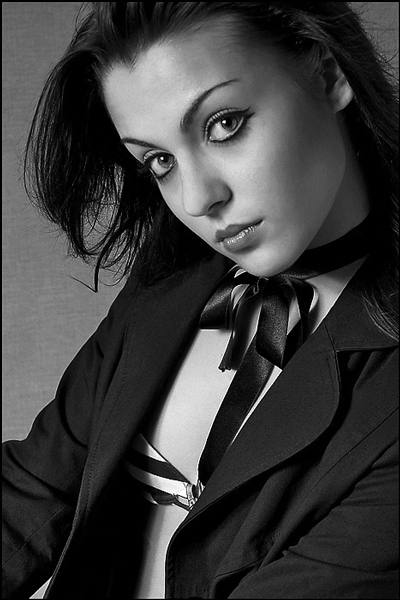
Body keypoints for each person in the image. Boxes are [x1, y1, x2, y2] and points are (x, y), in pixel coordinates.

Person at [2, 2, 398, 598]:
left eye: (224, 124)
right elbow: (33, 490)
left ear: (326, 74)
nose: (196, 199)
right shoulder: (173, 279)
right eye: (160, 161)